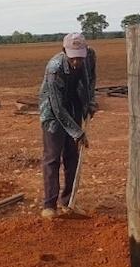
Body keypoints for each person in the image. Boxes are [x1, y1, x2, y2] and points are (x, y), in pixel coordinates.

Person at [38, 33, 98, 219]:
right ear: (64, 51)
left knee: (72, 156)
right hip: (53, 113)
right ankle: (50, 205)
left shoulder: (90, 57)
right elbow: (57, 107)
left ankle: (68, 201)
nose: (77, 62)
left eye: (80, 57)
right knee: (53, 158)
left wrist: (90, 102)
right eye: (73, 58)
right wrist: (77, 132)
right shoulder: (54, 69)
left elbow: (91, 81)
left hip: (74, 106)